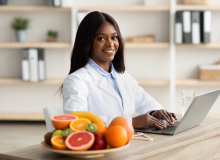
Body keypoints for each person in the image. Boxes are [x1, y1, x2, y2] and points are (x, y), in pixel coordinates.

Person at [60, 11, 177, 128]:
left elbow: (143, 100)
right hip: (102, 145)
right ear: (87, 42)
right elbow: (76, 119)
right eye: (101, 38)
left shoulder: (121, 75)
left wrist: (155, 111)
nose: (110, 44)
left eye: (114, 37)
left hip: (130, 141)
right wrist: (130, 122)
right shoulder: (76, 80)